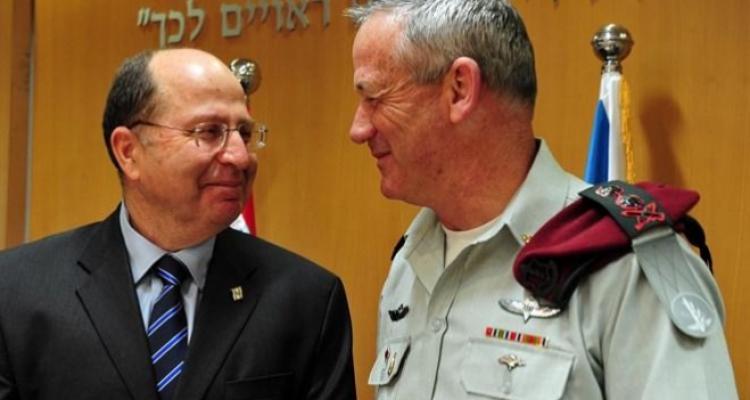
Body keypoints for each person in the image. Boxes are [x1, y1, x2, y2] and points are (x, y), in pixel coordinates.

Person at [346, 1, 737, 399]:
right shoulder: (410, 263)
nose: (357, 129)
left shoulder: (626, 270)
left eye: (374, 98)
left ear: (459, 90)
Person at [0, 48, 355, 400]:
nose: (240, 156)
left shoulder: (306, 299)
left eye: (244, 134)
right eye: (210, 132)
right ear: (128, 151)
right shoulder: (15, 292)